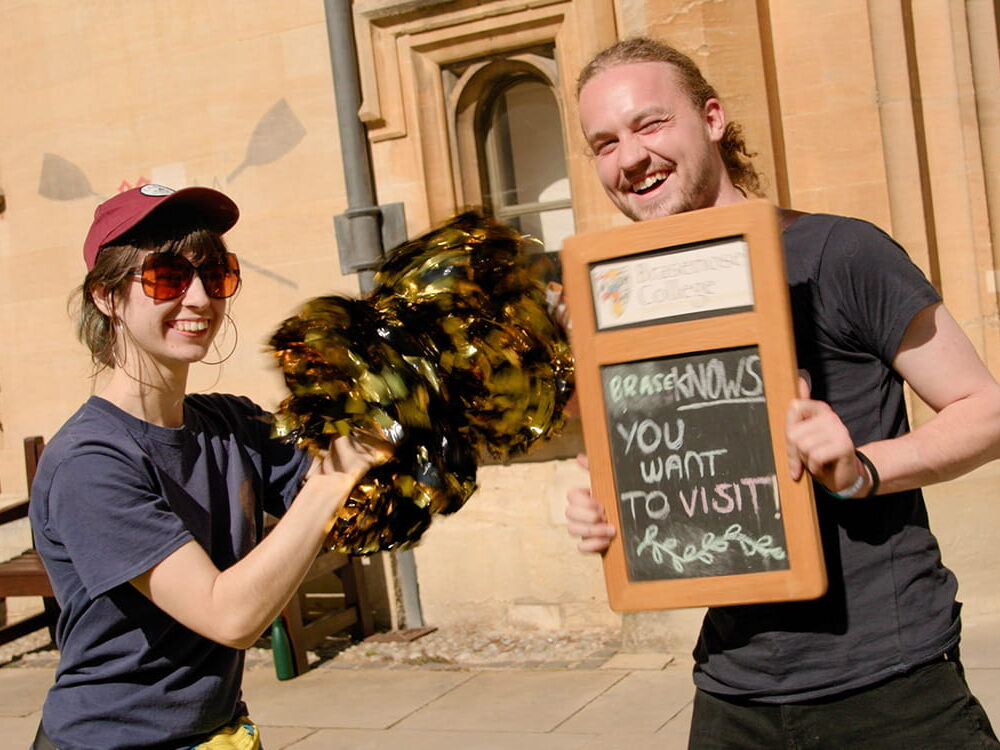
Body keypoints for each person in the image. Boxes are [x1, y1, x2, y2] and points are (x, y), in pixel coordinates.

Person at [566, 38, 1000, 748]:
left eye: (650, 125)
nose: (630, 157)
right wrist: (619, 507)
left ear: (711, 118)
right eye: (604, 143)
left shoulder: (841, 253)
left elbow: (985, 410)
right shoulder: (631, 298)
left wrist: (862, 468)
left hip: (888, 688)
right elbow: (680, 464)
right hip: (733, 693)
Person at [29, 184, 388, 749]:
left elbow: (372, 500)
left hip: (217, 732)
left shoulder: (231, 424)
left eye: (216, 275)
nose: (199, 298)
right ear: (106, 297)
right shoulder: (90, 461)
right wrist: (332, 482)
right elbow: (230, 616)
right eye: (167, 277)